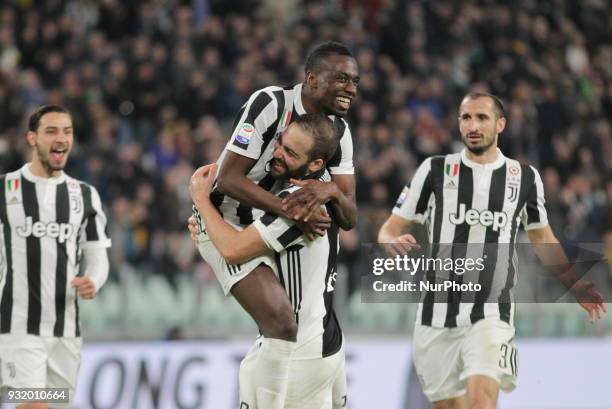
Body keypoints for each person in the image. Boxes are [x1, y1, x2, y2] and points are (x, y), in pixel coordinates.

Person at [377, 92, 606, 409]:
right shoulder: (433, 171)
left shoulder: (524, 177)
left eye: (482, 117)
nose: (473, 125)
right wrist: (389, 239)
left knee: (481, 402)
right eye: (466, 117)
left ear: (500, 124)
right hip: (435, 315)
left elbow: (542, 239)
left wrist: (576, 285)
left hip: (491, 312)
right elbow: (390, 227)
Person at [189, 41, 359, 408]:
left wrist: (328, 189)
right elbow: (230, 178)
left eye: (355, 81)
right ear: (312, 79)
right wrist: (289, 210)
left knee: (296, 319)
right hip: (224, 223)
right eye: (342, 79)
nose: (351, 88)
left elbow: (349, 214)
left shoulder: (339, 133)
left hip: (272, 225)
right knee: (282, 321)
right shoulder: (269, 104)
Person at [0, 105, 111, 409]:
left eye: (67, 131)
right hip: (17, 327)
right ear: (32, 138)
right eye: (51, 131)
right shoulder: (5, 189)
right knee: (34, 404)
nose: (61, 138)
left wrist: (93, 280)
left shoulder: (84, 195)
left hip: (65, 332)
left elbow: (97, 254)